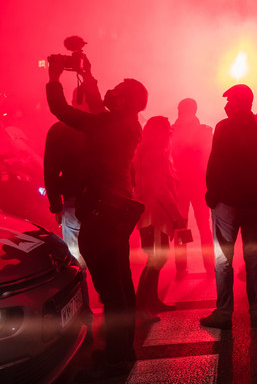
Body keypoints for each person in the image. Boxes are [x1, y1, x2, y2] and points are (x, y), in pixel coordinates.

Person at [46, 54, 148, 381]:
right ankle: (122, 351)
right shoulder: (127, 123)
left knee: (113, 293)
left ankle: (115, 360)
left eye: (116, 90)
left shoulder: (110, 124)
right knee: (122, 288)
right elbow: (98, 105)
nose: (110, 93)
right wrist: (89, 75)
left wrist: (54, 78)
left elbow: (63, 111)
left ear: (125, 101)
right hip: (118, 211)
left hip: (103, 215)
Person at [201, 84, 257, 329]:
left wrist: (212, 194)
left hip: (228, 202)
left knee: (224, 259)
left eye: (230, 100)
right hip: (256, 202)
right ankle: (256, 311)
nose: (227, 104)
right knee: (253, 258)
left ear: (237, 102)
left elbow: (216, 162)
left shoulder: (224, 127)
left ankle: (224, 312)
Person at [44, 77, 105, 267]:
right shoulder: (104, 129)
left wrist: (56, 206)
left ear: (72, 102)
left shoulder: (59, 130)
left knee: (76, 260)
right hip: (104, 202)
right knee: (105, 259)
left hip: (74, 202)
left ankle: (82, 293)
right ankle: (110, 295)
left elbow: (51, 170)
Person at [133, 116, 183, 323]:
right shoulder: (156, 155)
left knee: (156, 259)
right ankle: (140, 306)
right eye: (168, 131)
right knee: (156, 259)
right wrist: (177, 215)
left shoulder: (149, 153)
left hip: (151, 217)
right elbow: (160, 189)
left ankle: (150, 301)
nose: (170, 134)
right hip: (155, 218)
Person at [171, 98, 214, 278]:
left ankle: (183, 268)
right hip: (196, 184)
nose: (180, 111)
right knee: (201, 226)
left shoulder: (173, 130)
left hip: (184, 184)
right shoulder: (204, 131)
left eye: (181, 108)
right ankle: (209, 267)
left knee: (184, 228)